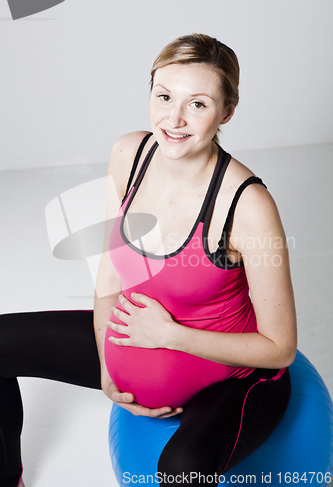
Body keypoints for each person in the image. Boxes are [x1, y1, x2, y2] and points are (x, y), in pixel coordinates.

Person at [0, 34, 297, 487]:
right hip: (133, 341)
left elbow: (279, 347)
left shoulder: (247, 204)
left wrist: (170, 335)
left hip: (232, 378)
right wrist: (107, 365)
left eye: (197, 104)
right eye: (163, 97)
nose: (173, 120)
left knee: (182, 471)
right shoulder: (130, 154)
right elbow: (109, 272)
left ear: (227, 112)